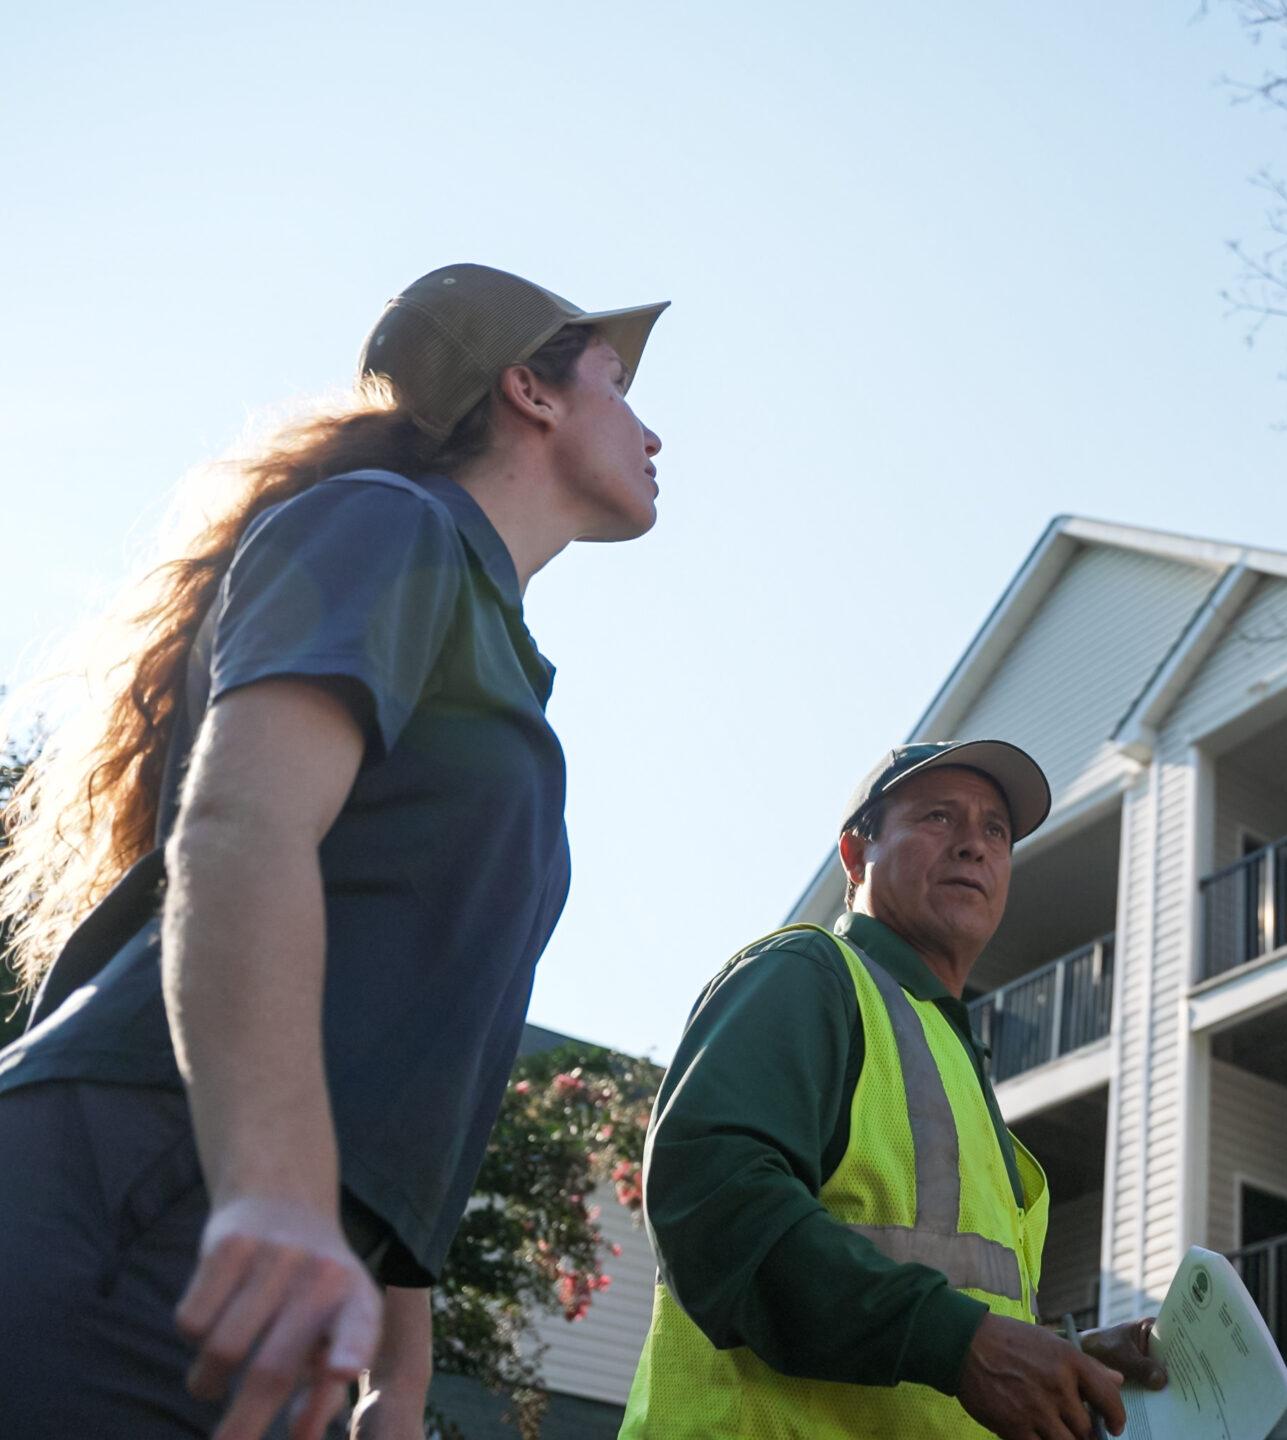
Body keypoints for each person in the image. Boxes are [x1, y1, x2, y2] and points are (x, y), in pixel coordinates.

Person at [0, 264, 669, 1440]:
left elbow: (419, 1060)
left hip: (257, 1246)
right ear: (532, 392)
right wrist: (274, 1193)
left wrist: (396, 1381)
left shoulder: (502, 672)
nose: (652, 427)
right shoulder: (384, 523)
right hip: (138, 1189)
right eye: (618, 382)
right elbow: (243, 828)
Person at [622, 740, 1168, 1440]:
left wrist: (1068, 1357)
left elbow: (950, 1316)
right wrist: (962, 1343)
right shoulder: (806, 973)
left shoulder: (951, 1056)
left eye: (995, 830)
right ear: (855, 856)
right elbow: (714, 1198)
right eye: (939, 817)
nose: (974, 845)